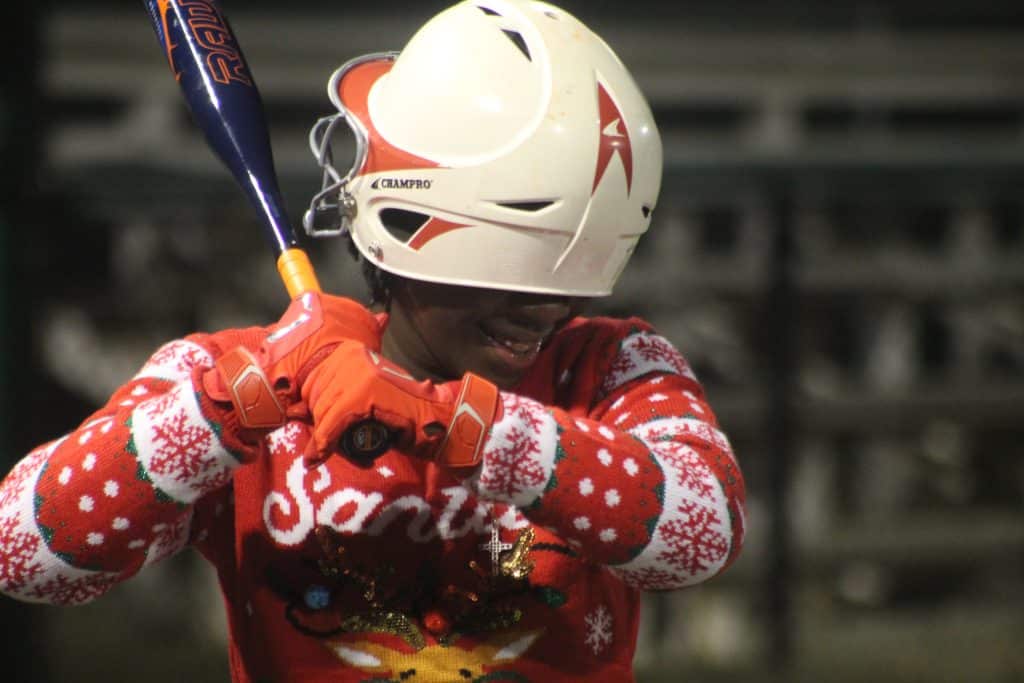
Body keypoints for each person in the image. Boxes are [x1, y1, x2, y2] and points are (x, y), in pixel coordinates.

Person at [0, 1, 746, 681]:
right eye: (518, 275)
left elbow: (702, 529)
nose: (549, 308)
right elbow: (24, 550)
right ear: (410, 231)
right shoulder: (231, 376)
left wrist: (453, 421)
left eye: (574, 277)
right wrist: (234, 403)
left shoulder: (613, 366)